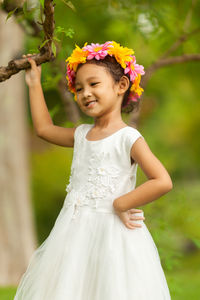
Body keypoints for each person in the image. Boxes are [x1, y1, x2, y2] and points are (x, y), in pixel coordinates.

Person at [14, 41, 173, 299]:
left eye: (94, 84)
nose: (85, 93)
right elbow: (43, 129)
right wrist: (33, 84)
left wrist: (122, 203)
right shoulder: (82, 134)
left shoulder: (128, 137)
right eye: (79, 88)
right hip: (74, 230)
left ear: (121, 86)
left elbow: (162, 180)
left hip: (112, 233)